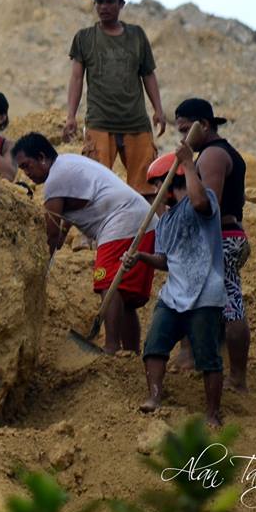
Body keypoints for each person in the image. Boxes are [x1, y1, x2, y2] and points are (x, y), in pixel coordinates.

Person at [14, 132, 157, 353]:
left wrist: (40, 271)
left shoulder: (56, 179)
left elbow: (50, 235)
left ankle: (110, 348)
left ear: (42, 157)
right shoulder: (68, 165)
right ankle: (130, 355)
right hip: (144, 222)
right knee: (125, 297)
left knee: (106, 283)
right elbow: (61, 230)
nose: (26, 173)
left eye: (27, 165)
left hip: (123, 221)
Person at [122, 142, 227, 428]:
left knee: (208, 357)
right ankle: (154, 396)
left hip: (206, 292)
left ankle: (212, 413)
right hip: (174, 294)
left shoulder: (204, 201)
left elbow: (197, 203)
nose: (156, 192)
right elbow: (166, 260)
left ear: (172, 182)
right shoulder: (165, 221)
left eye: (158, 184)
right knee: (155, 344)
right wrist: (141, 257)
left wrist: (190, 165)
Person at [172, 98, 250, 392]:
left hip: (221, 239)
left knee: (231, 307)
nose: (183, 138)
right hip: (226, 236)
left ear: (203, 125)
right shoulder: (218, 152)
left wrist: (189, 166)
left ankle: (237, 379)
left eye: (185, 130)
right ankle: (194, 359)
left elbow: (208, 207)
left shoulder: (212, 156)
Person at [62, 0, 165, 197]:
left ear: (121, 4)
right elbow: (77, 78)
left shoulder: (136, 36)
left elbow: (148, 74)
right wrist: (70, 115)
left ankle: (151, 230)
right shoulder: (85, 38)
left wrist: (158, 110)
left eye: (110, 1)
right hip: (100, 122)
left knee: (148, 188)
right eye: (99, 2)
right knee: (94, 187)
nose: (103, 7)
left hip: (135, 121)